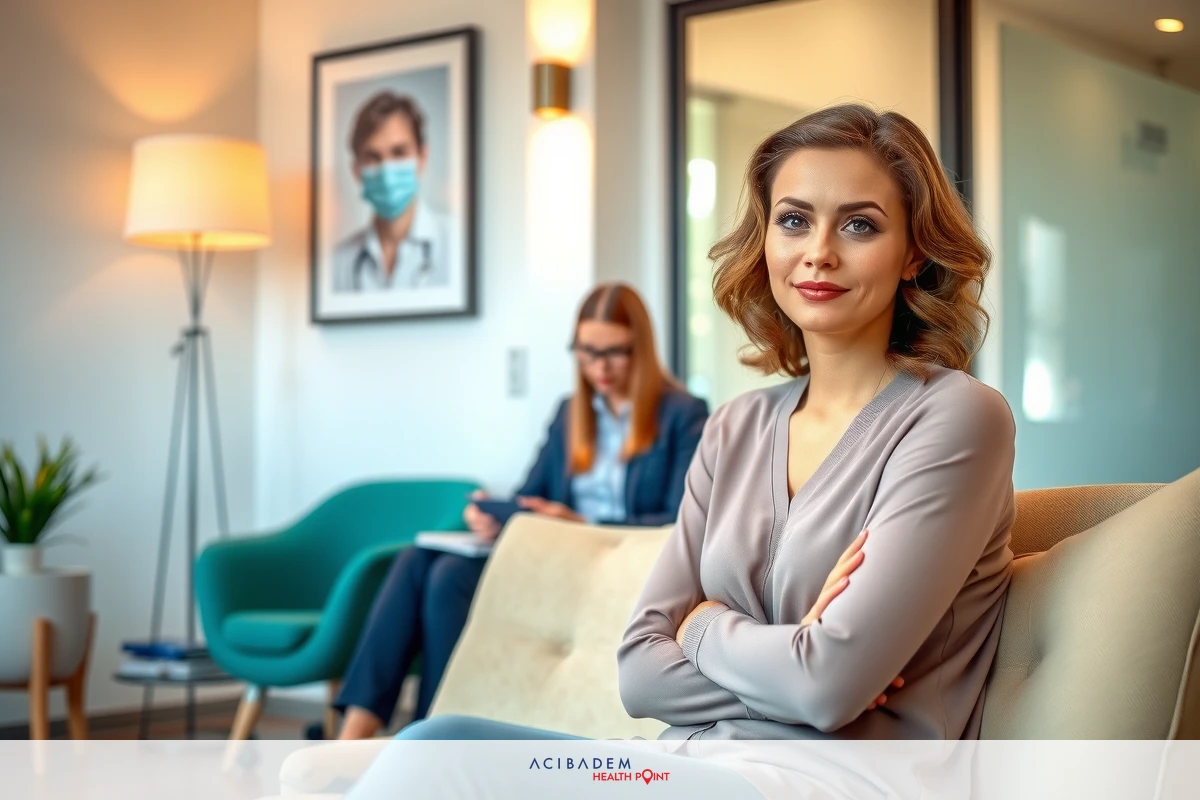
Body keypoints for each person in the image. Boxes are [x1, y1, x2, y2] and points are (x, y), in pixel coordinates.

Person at [391, 102, 1015, 755]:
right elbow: (637, 674)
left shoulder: (956, 419)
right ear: (766, 240)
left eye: (859, 225)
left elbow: (826, 688)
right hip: (685, 764)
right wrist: (795, 656)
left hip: (835, 781)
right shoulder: (735, 427)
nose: (818, 253)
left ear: (915, 253)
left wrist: (701, 627)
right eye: (794, 220)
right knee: (437, 744)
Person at [327, 282, 709, 740]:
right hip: (548, 553)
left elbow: (678, 517)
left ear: (640, 349)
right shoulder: (571, 413)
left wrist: (582, 525)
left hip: (613, 564)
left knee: (448, 579)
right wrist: (495, 515)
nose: (598, 367)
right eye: (587, 352)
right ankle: (363, 733)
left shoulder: (682, 414)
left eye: (613, 353)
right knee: (420, 564)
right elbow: (531, 493)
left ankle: (427, 731)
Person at [331, 91, 452, 292]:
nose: (387, 171)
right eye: (373, 157)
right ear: (356, 170)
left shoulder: (459, 243)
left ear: (422, 158)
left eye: (399, 152)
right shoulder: (338, 262)